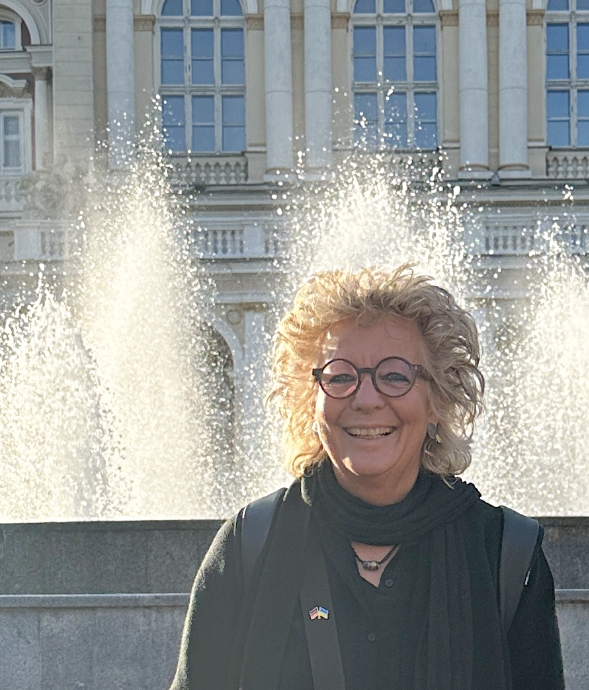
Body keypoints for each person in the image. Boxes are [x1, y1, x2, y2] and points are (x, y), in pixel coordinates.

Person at [171, 266, 563, 690]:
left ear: (437, 399)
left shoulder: (505, 554)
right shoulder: (250, 545)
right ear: (311, 399)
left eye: (395, 376)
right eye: (340, 376)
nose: (367, 399)